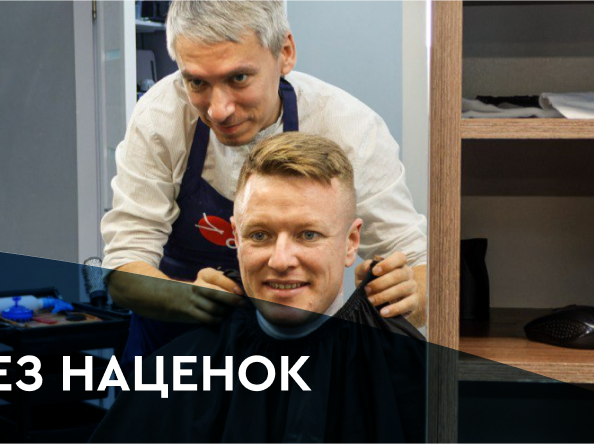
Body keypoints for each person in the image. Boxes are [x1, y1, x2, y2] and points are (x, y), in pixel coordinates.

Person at [101, 0, 428, 364]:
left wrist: (408, 292)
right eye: (197, 82)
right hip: (175, 353)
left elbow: (420, 265)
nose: (218, 110)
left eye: (238, 78)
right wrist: (186, 297)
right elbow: (122, 267)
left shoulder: (348, 128)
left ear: (285, 52)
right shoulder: (162, 118)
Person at [89, 132, 425, 444]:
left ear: (351, 242)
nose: (281, 260)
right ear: (236, 238)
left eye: (308, 235)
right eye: (260, 235)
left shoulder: (406, 369)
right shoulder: (177, 374)